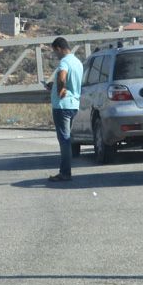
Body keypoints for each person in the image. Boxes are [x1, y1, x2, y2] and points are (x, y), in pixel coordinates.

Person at [45, 37, 83, 182]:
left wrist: (60, 90)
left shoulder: (64, 62)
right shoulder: (78, 62)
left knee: (64, 140)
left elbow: (62, 77)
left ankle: (65, 173)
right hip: (73, 105)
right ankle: (65, 171)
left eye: (55, 51)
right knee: (67, 138)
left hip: (62, 106)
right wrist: (53, 86)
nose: (56, 54)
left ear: (59, 48)